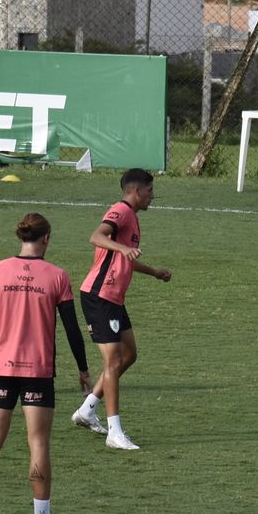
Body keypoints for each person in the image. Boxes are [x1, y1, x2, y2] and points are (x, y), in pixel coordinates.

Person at [0, 214, 92, 514]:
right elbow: (72, 329)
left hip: (1, 369)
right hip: (38, 372)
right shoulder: (57, 276)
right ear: (46, 239)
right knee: (38, 442)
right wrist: (83, 369)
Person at [69, 168, 170, 451]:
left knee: (129, 355)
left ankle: (88, 410)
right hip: (99, 296)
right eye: (150, 191)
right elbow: (97, 236)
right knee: (112, 362)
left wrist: (153, 272)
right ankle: (115, 432)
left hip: (114, 298)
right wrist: (121, 249)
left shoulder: (133, 219)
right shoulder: (121, 211)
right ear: (136, 191)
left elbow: (124, 257)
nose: (153, 196)